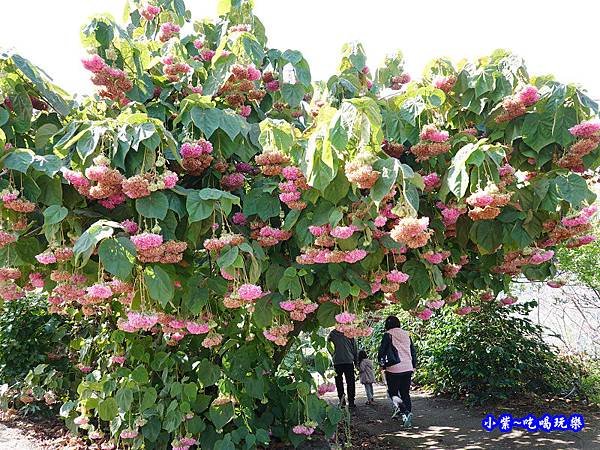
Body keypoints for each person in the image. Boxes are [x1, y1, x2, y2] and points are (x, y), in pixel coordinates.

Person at [378, 315, 417, 427]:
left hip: (393, 369)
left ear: (387, 325)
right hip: (408, 367)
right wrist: (413, 365)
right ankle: (407, 414)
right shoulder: (406, 334)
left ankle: (404, 412)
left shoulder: (388, 335)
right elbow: (412, 350)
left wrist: (381, 364)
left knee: (393, 393)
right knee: (405, 393)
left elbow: (382, 351)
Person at [328, 328, 358, 408]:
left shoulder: (332, 333)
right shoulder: (349, 331)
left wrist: (333, 355)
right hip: (348, 361)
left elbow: (328, 346)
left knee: (339, 382)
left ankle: (342, 402)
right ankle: (351, 402)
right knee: (350, 382)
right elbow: (355, 348)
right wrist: (356, 361)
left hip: (337, 361)